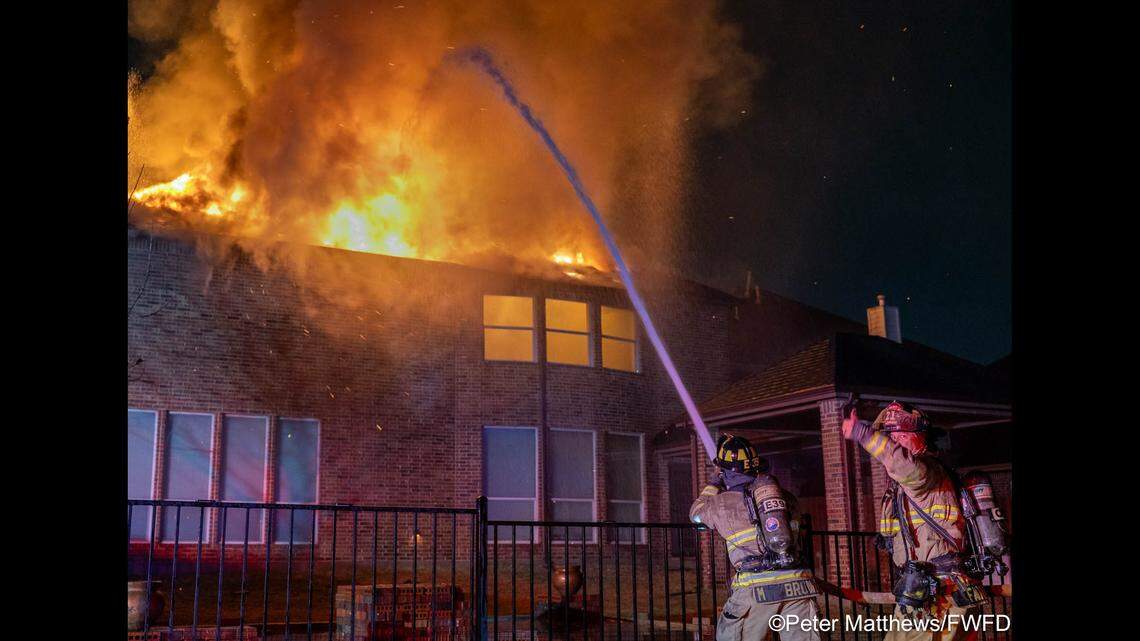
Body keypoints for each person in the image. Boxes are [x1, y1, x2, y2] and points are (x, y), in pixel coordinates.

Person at [842, 401, 985, 641]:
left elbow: (904, 466)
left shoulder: (926, 473)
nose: (894, 441)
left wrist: (863, 433)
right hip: (934, 591)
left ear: (920, 438)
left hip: (937, 594)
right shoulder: (914, 483)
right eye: (890, 436)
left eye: (900, 435)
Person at [690, 434, 821, 641]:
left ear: (724, 472)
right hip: (798, 583)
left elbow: (695, 514)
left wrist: (714, 483)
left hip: (755, 588)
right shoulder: (786, 498)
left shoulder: (720, 504)